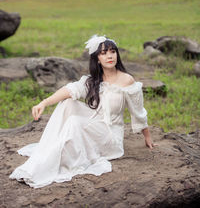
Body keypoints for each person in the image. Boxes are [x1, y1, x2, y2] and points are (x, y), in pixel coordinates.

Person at [9, 34, 157, 188]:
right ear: (97, 59)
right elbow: (70, 89)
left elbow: (138, 111)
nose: (109, 56)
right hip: (94, 122)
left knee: (74, 121)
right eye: (104, 53)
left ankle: (54, 160)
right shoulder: (92, 80)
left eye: (112, 51)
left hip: (110, 134)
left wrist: (147, 136)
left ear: (117, 54)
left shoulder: (127, 80)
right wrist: (44, 103)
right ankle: (54, 148)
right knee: (67, 103)